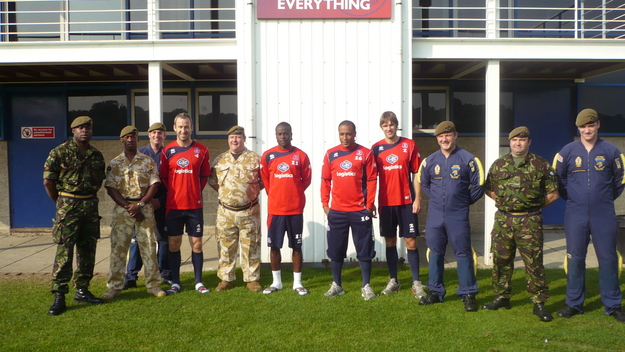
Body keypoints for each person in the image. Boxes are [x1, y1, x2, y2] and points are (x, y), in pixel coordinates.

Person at [554, 108, 625, 323]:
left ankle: (613, 305)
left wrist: (601, 199)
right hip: (575, 213)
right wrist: (576, 199)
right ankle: (574, 304)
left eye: (591, 125)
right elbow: (559, 180)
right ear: (578, 128)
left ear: (598, 125)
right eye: (583, 126)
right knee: (575, 258)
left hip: (603, 213)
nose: (587, 130)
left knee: (608, 258)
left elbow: (620, 181)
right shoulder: (566, 152)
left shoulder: (612, 151)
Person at [482, 126, 558, 322]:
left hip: (529, 221)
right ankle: (502, 297)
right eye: (515, 140)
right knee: (501, 261)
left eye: (522, 140)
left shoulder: (541, 165)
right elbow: (489, 189)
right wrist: (505, 202)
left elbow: (553, 193)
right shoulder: (499, 164)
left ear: (529, 142)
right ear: (510, 142)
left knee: (533, 262)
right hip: (504, 220)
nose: (518, 143)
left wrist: (533, 207)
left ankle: (539, 302)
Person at [43, 116, 106, 315]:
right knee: (65, 250)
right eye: (80, 128)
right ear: (73, 131)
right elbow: (48, 182)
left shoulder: (96, 155)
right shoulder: (59, 152)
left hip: (90, 205)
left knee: (88, 249)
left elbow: (98, 182)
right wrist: (61, 203)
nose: (84, 131)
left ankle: (82, 289)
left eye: (87, 127)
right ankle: (59, 295)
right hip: (68, 206)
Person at [417, 121, 483, 311]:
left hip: (458, 214)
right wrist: (438, 199)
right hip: (436, 215)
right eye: (440, 136)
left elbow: (479, 185)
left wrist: (462, 201)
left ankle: (468, 293)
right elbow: (424, 183)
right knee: (435, 253)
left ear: (455, 135)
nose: (444, 139)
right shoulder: (430, 161)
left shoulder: (468, 159)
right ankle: (435, 292)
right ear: (437, 139)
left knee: (463, 253)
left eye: (448, 135)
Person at [101, 126, 166, 299]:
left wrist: (141, 203)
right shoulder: (115, 163)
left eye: (133, 137)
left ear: (138, 139)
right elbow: (111, 188)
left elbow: (154, 184)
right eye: (127, 137)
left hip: (144, 206)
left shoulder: (147, 161)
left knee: (149, 247)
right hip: (123, 210)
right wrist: (129, 207)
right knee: (118, 248)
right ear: (122, 140)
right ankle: (114, 286)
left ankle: (153, 285)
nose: (130, 140)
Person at [321, 120, 378, 300]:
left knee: (365, 249)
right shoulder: (331, 154)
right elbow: (325, 180)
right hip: (337, 211)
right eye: (342, 134)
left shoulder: (365, 153)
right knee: (336, 249)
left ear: (355, 133)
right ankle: (337, 285)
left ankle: (366, 285)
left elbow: (372, 180)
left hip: (359, 210)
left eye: (348, 134)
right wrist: (325, 204)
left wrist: (369, 205)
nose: (345, 138)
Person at [371, 111, 426, 298]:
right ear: (382, 127)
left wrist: (417, 198)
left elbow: (417, 173)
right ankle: (394, 280)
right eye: (385, 125)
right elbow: (371, 178)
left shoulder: (408, 145)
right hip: (386, 203)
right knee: (390, 241)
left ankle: (416, 282)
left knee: (411, 241)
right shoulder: (376, 149)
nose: (389, 128)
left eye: (391, 124)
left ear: (396, 125)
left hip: (406, 203)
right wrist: (370, 201)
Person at [160, 112, 211, 295]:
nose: (183, 130)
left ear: (191, 128)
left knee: (197, 244)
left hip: (194, 206)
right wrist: (177, 191)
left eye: (186, 126)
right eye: (180, 127)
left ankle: (198, 281)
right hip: (173, 207)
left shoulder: (202, 150)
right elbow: (164, 177)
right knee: (174, 244)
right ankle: (176, 282)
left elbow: (204, 176)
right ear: (174, 128)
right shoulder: (167, 151)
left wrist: (193, 190)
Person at [209, 126, 264, 292]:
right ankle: (226, 279)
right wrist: (227, 194)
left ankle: (251, 279)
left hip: (249, 211)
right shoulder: (220, 160)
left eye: (238, 137)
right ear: (228, 140)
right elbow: (212, 181)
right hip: (226, 212)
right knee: (225, 246)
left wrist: (250, 192)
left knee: (251, 245)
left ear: (244, 139)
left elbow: (264, 180)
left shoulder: (255, 159)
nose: (235, 140)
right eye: (232, 137)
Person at [260, 122, 312, 296]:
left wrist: (294, 192)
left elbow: (306, 180)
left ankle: (297, 283)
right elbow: (266, 182)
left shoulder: (301, 156)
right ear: (276, 135)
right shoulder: (268, 156)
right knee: (274, 246)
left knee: (296, 246)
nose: (283, 136)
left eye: (286, 133)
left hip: (295, 210)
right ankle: (277, 282)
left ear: (291, 134)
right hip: (275, 211)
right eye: (280, 134)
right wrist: (276, 194)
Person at [123, 122, 172, 289]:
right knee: (137, 238)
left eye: (160, 133)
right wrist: (148, 199)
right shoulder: (140, 153)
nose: (157, 136)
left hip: (164, 202)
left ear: (164, 136)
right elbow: (133, 181)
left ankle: (164, 273)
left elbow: (174, 182)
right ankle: (131, 276)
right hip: (143, 202)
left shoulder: (169, 153)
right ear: (149, 135)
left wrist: (161, 200)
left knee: (163, 238)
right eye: (154, 133)